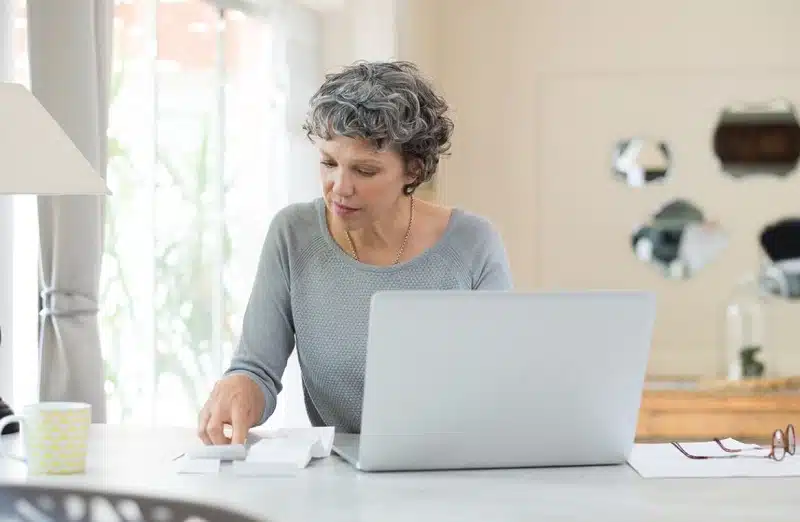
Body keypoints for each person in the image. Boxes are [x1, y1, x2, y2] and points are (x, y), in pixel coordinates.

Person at [197, 60, 513, 446]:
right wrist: (241, 387)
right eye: (329, 163)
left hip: (455, 468)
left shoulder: (473, 243)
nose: (339, 188)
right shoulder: (293, 234)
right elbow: (257, 369)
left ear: (412, 171)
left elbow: (500, 384)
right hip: (341, 481)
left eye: (365, 171)